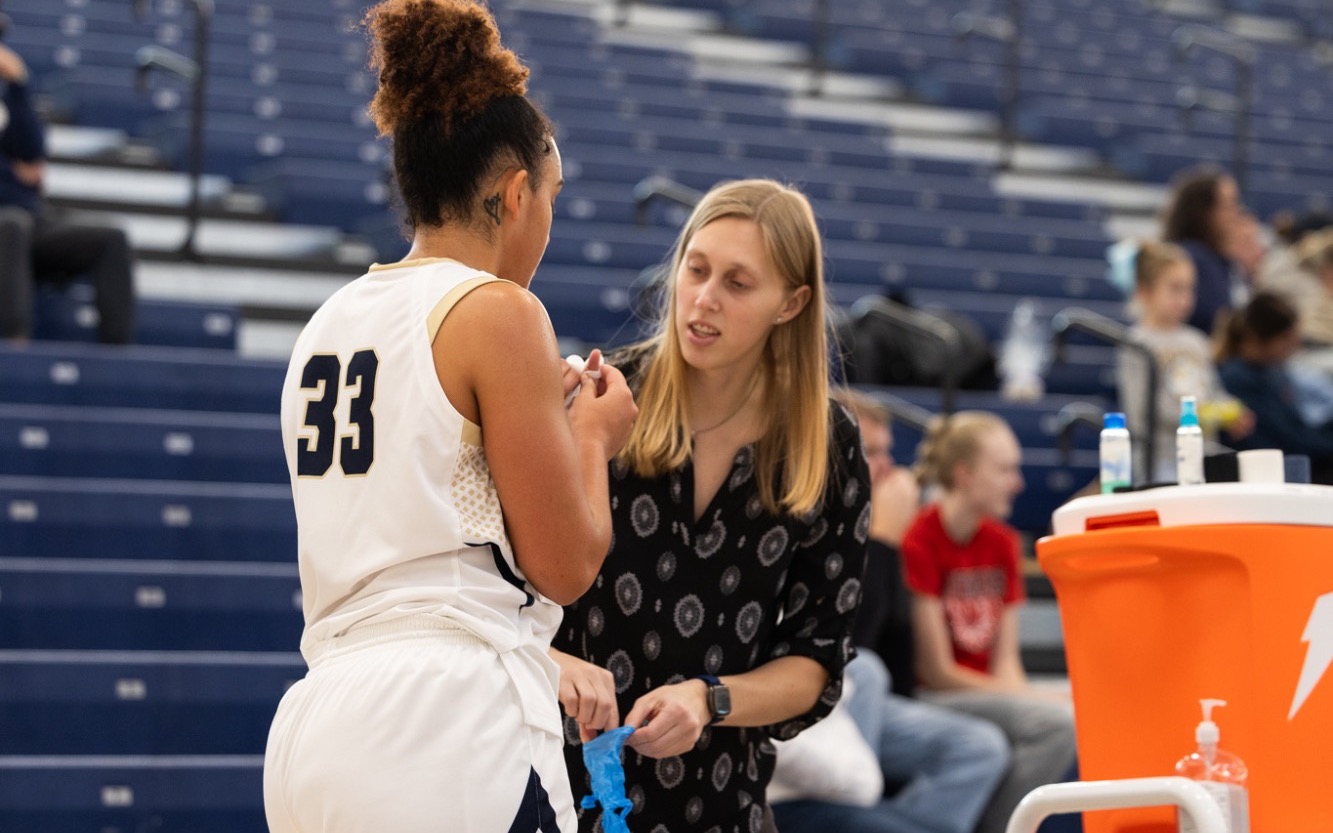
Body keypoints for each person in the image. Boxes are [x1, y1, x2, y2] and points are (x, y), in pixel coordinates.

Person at [262, 2, 638, 831]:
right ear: (513, 195)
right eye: (550, 196)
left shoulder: (327, 321)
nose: (549, 216)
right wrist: (590, 437)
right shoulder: (500, 310)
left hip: (317, 721)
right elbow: (566, 564)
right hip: (441, 720)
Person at [550, 179, 871, 833]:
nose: (703, 298)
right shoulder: (597, 399)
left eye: (737, 283)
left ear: (791, 302)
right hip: (561, 790)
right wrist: (552, 662)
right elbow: (490, 601)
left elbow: (815, 662)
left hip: (720, 805)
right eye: (694, 269)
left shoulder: (827, 444)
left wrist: (709, 699)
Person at [769, 389, 1011, 833]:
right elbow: (843, 648)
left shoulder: (894, 523)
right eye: (871, 452)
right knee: (868, 670)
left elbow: (899, 644)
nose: (886, 467)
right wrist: (879, 542)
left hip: (878, 702)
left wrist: (884, 541)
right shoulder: (805, 519)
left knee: (979, 747)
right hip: (816, 707)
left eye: (887, 453)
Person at [902, 412, 1078, 833]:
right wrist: (1038, 702)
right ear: (964, 475)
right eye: (1005, 469)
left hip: (986, 691)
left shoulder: (1002, 543)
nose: (1017, 482)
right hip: (933, 697)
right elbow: (938, 674)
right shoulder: (918, 540)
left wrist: (1031, 697)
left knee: (1077, 705)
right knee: (1059, 722)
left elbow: (1006, 665)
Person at [0, 43, 135, 344]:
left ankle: (119, 356)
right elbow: (24, 172)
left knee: (111, 238)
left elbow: (33, 151)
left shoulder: (6, 102)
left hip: (29, 218)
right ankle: (14, 345)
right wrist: (12, 171)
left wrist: (19, 82)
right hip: (9, 225)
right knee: (12, 225)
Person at [1114, 241, 1253, 482]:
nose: (1185, 299)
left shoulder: (1197, 341)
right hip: (1160, 461)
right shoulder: (1136, 344)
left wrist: (1232, 410)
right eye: (1175, 289)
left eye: (1190, 289)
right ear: (1145, 291)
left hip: (1204, 457)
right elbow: (1141, 412)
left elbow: (1213, 391)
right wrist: (1203, 414)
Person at [1217, 291, 1333, 484]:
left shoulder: (1274, 372)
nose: (1295, 346)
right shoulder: (1237, 379)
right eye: (1287, 338)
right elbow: (1291, 441)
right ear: (1260, 340)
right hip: (1271, 474)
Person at [1160, 167, 1246, 336]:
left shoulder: (1220, 259)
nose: (1236, 212)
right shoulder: (1188, 258)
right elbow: (1212, 318)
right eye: (1228, 205)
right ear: (1204, 212)